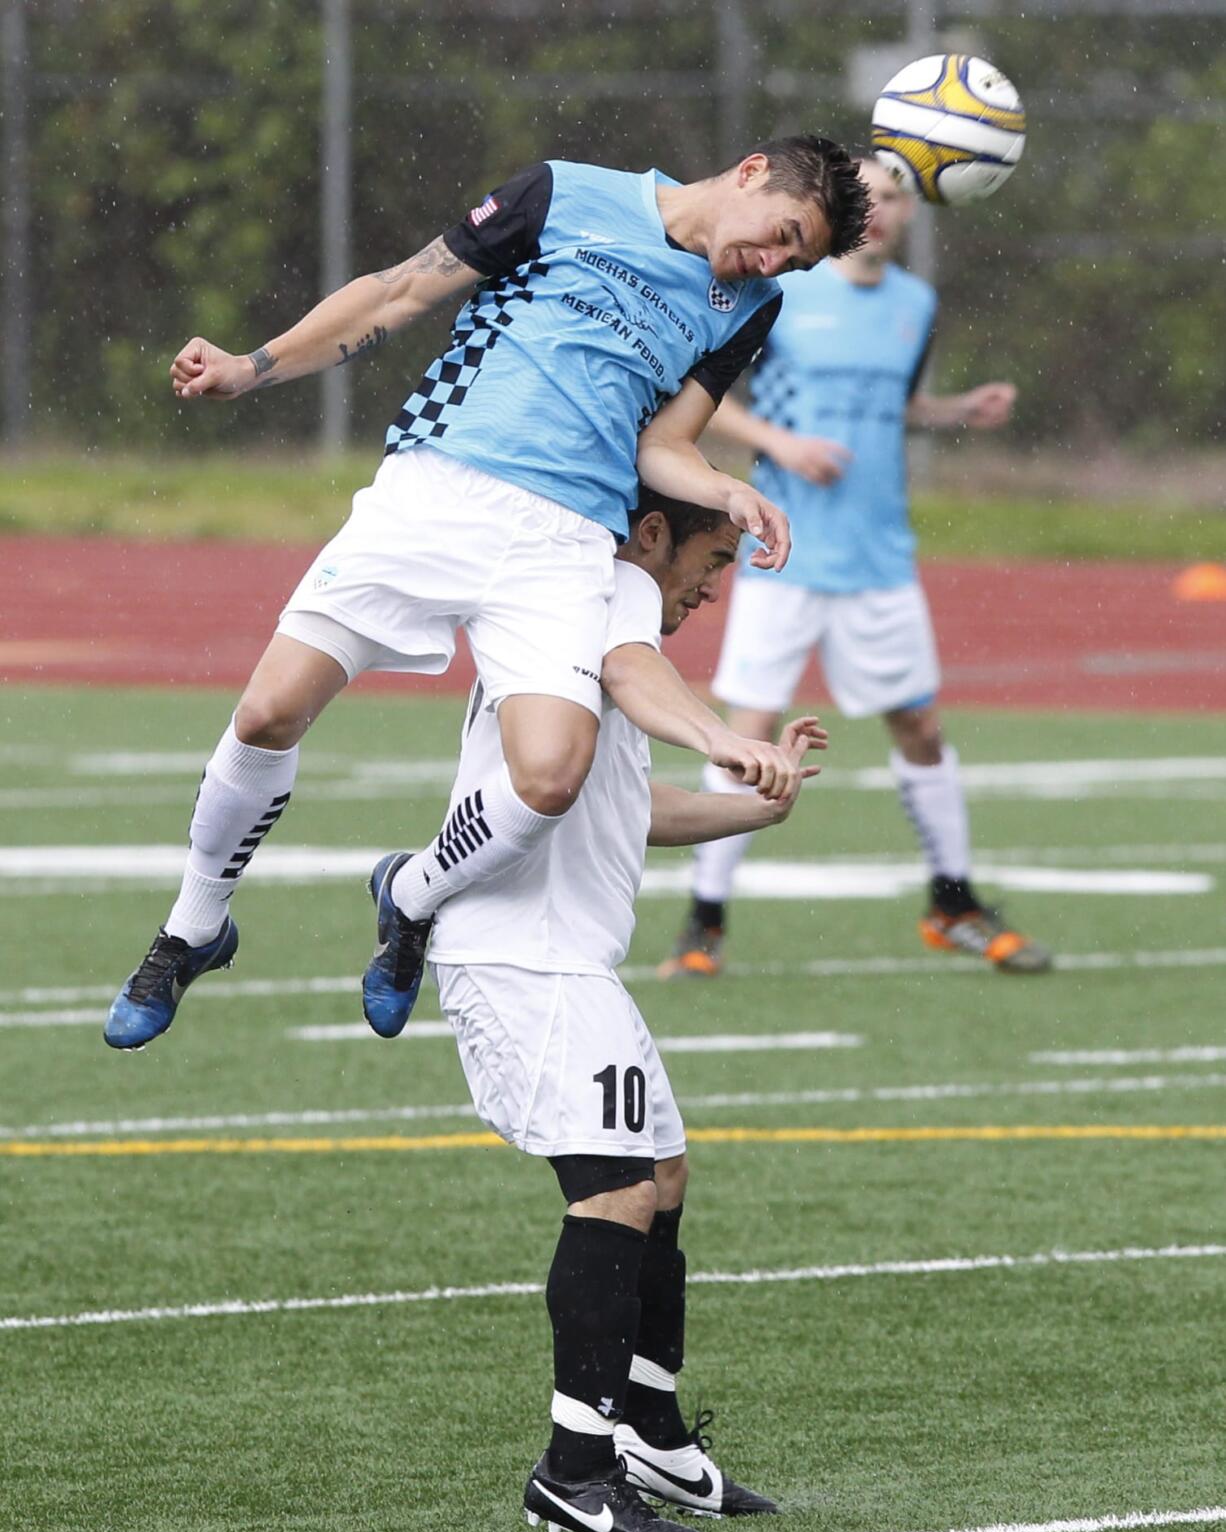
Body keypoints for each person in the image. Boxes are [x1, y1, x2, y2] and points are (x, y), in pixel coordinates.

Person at [103, 138, 870, 1051]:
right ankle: (196, 924)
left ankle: (412, 893)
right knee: (268, 712)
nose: (775, 261)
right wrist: (250, 365)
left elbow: (664, 446)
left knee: (551, 774)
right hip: (439, 489)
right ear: (750, 172)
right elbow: (399, 292)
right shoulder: (563, 194)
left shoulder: (753, 305)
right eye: (782, 235)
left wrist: (725, 489)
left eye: (798, 259)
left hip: (566, 540)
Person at [420, 489, 825, 1532]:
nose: (716, 581)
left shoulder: (605, 625)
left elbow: (632, 811)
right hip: (519, 959)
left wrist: (757, 803)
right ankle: (571, 1466)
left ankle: (646, 1428)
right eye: (715, 556)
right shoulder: (598, 605)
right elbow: (640, 686)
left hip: (567, 963)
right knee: (612, 1190)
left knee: (663, 1171)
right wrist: (727, 738)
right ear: (649, 536)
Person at [662, 156, 1051, 979]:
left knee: (919, 727)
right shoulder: (785, 289)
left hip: (880, 559)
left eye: (898, 195)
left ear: (913, 213)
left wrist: (954, 411)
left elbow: (894, 405)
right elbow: (707, 392)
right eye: (868, 192)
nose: (881, 207)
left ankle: (952, 903)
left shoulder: (916, 305)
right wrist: (780, 446)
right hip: (785, 552)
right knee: (748, 731)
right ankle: (704, 924)